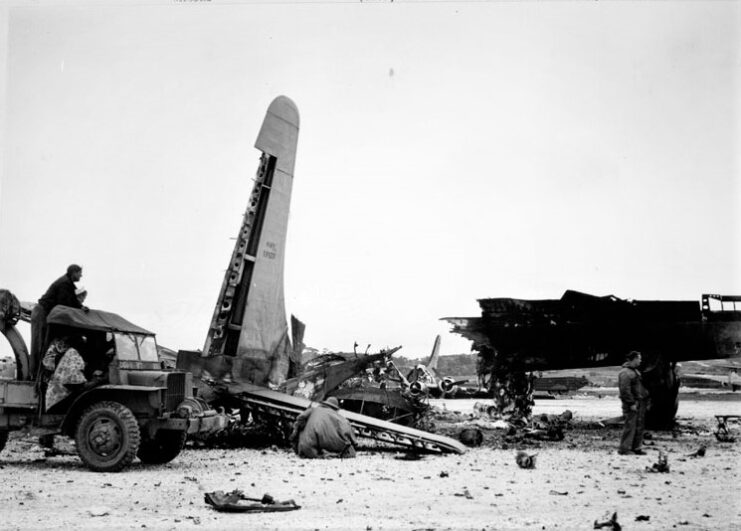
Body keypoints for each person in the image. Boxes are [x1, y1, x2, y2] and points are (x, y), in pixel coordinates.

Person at [30, 264, 85, 379]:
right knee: (40, 344)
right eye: (80, 273)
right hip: (42, 313)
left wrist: (81, 308)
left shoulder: (67, 284)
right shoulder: (64, 284)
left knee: (44, 344)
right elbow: (65, 304)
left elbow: (72, 302)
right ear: (74, 272)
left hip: (46, 313)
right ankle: (36, 375)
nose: (81, 275)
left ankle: (39, 374)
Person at [289, 397, 358, 459]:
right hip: (328, 446)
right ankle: (327, 453)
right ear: (335, 408)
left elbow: (300, 418)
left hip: (306, 449)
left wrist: (299, 431)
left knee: (301, 427)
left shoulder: (313, 410)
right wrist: (354, 442)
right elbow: (347, 428)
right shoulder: (338, 416)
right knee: (351, 452)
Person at [618, 350, 649, 455]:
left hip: (638, 402)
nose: (641, 360)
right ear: (634, 359)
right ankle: (624, 449)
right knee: (630, 425)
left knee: (639, 425)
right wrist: (631, 403)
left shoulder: (634, 371)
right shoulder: (625, 373)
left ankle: (636, 448)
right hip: (631, 404)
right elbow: (624, 390)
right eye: (639, 358)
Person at [44, 339, 87, 411]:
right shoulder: (72, 354)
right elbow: (74, 381)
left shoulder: (69, 355)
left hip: (54, 400)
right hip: (58, 401)